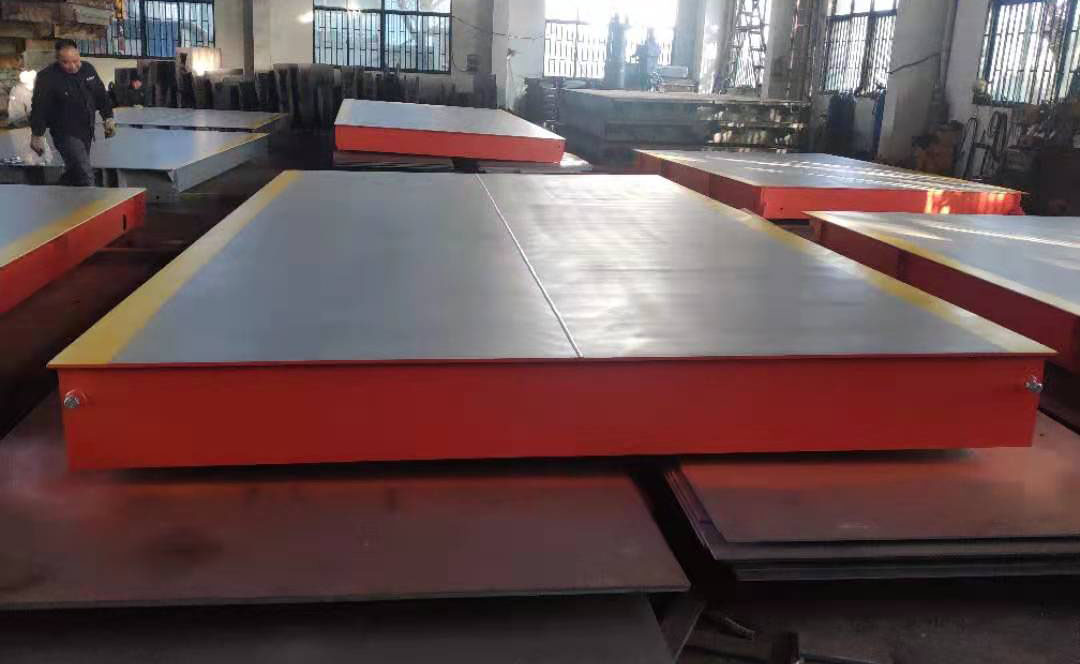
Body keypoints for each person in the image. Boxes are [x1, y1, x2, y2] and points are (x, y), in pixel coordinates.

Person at [29, 39, 117, 187]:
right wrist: (37, 135)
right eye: (66, 62)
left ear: (79, 55)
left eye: (76, 61)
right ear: (57, 60)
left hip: (87, 130)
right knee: (85, 174)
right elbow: (39, 107)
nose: (73, 66)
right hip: (65, 133)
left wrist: (108, 117)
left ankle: (58, 192)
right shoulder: (47, 77)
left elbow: (101, 95)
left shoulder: (88, 69)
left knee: (75, 171)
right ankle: (90, 200)